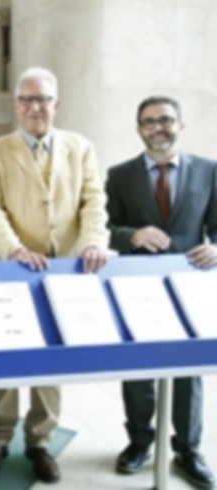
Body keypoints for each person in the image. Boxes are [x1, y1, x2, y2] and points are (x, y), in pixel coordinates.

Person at [0, 67, 110, 484]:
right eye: (27, 100)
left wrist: (93, 242)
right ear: (16, 105)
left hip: (66, 269)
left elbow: (93, 200)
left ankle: (40, 442)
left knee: (52, 358)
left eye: (43, 99)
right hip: (13, 269)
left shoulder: (80, 147)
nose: (36, 107)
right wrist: (14, 248)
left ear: (57, 103)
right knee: (7, 354)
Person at [106, 95, 216, 488]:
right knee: (138, 367)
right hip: (138, 287)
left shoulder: (210, 170)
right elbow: (107, 227)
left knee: (188, 370)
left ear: (180, 125)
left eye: (166, 120)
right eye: (149, 122)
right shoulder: (119, 175)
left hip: (190, 285)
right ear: (139, 130)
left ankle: (188, 450)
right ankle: (139, 442)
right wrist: (132, 234)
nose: (158, 127)